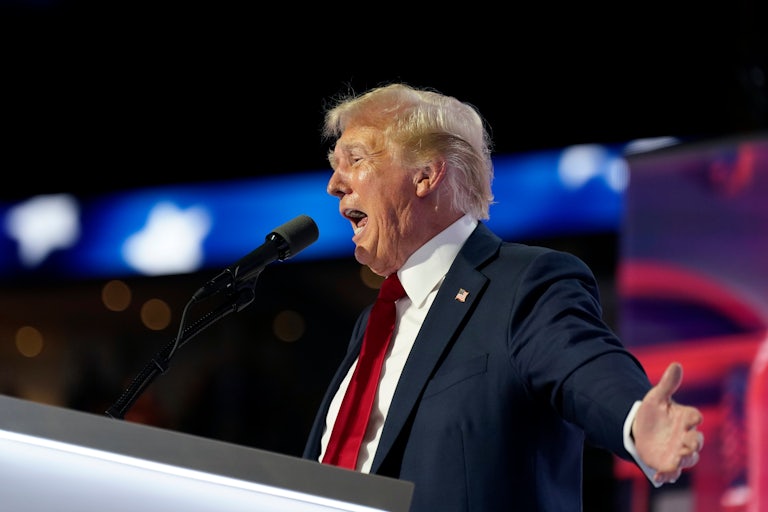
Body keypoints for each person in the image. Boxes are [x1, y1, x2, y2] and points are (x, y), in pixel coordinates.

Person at [302, 82, 704, 511]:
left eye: (356, 160)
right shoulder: (374, 323)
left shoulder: (523, 283)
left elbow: (583, 366)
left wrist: (636, 418)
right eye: (335, 164)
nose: (334, 185)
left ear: (425, 174)